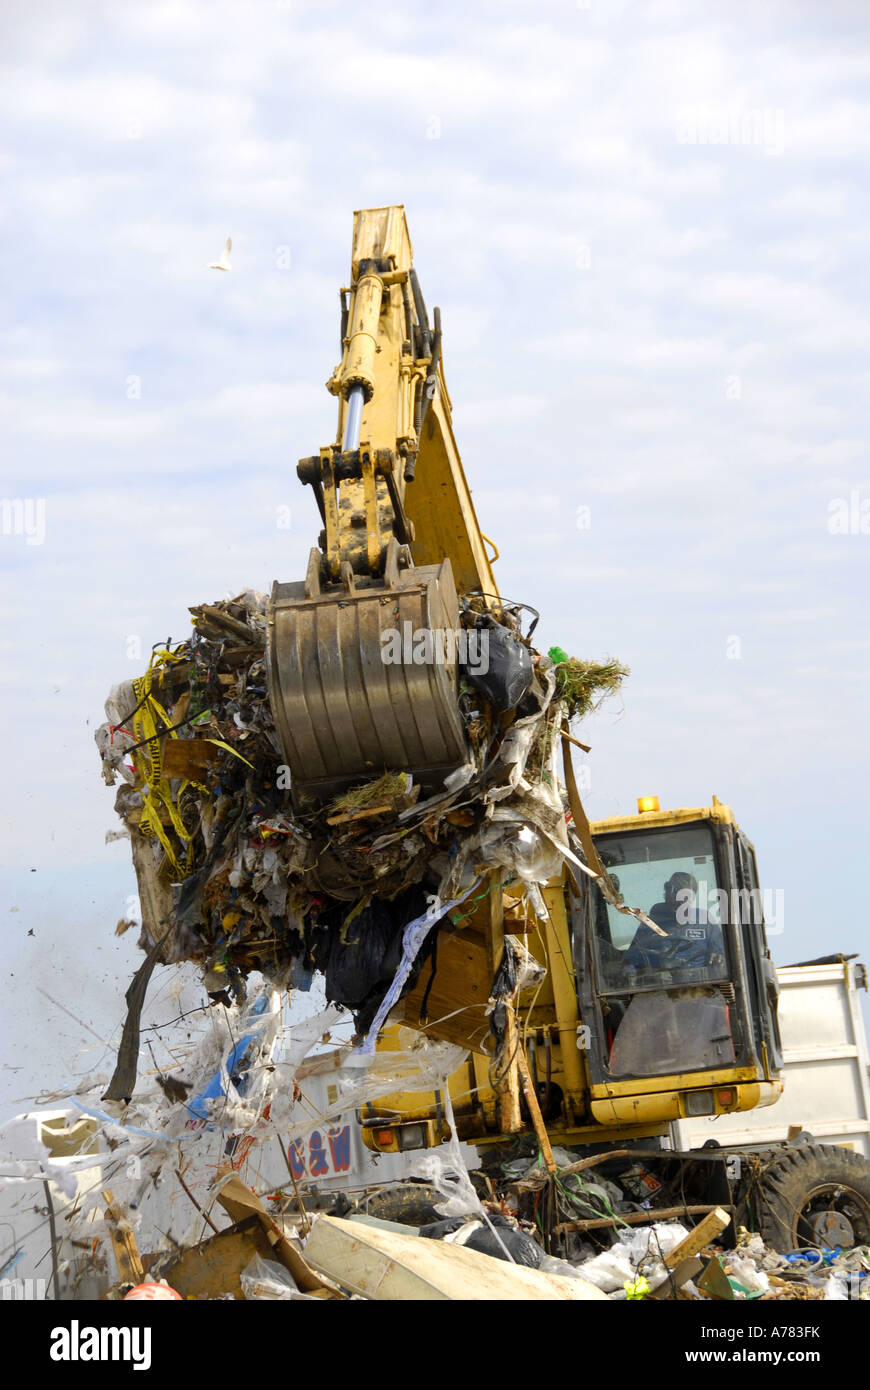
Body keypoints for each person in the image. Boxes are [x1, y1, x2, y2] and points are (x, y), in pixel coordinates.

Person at [623, 871, 722, 975]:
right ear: (666, 895)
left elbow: (721, 954)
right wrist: (631, 974)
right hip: (661, 987)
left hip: (700, 986)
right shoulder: (650, 924)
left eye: (682, 897)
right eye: (671, 894)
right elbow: (631, 962)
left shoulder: (704, 920)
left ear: (692, 897)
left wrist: (718, 958)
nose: (675, 901)